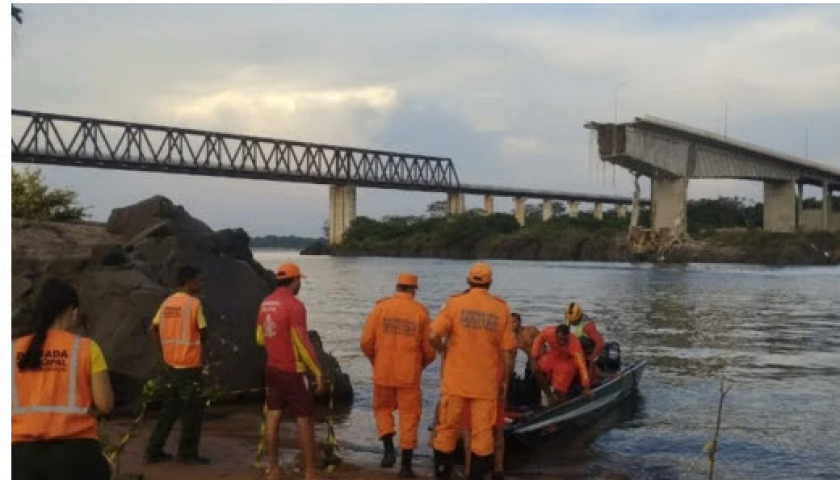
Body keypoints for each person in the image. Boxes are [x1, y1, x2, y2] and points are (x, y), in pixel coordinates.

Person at [12, 278, 114, 480]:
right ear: (73, 312)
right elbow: (105, 405)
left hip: (20, 457)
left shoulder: (12, 349)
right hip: (76, 455)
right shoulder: (86, 348)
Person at [429, 262, 516, 480]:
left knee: (447, 430)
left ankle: (442, 475)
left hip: (455, 381)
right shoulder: (500, 308)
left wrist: (443, 350)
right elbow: (507, 351)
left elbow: (432, 335)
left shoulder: (454, 303)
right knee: (482, 435)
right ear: (490, 282)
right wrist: (504, 382)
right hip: (485, 385)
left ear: (468, 281)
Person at [360, 272, 436, 479]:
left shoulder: (380, 308)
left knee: (382, 409)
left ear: (397, 287)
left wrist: (376, 361)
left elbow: (366, 341)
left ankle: (388, 449)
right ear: (413, 290)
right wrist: (421, 365)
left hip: (383, 371)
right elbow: (429, 350)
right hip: (408, 375)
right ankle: (405, 467)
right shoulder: (420, 312)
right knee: (409, 417)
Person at [256, 262, 324, 480]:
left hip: (272, 368)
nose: (299, 284)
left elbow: (259, 338)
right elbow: (302, 342)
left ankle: (273, 469)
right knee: (304, 419)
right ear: (294, 281)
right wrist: (318, 373)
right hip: (292, 371)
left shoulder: (265, 303)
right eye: (299, 281)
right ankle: (310, 471)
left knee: (273, 416)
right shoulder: (294, 305)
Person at [145, 265, 210, 465]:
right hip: (189, 365)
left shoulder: (167, 303)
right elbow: (204, 332)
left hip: (171, 364)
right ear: (188, 282)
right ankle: (187, 454)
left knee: (170, 408)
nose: (200, 283)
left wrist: (164, 351)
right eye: (198, 280)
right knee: (193, 410)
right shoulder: (194, 304)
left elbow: (151, 329)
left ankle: (154, 450)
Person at [530, 324, 591, 405]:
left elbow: (581, 365)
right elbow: (538, 339)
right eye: (560, 339)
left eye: (564, 340)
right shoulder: (548, 332)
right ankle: (549, 396)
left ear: (568, 336)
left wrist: (586, 386)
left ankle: (561, 404)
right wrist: (534, 357)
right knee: (536, 369)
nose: (562, 342)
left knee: (559, 389)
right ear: (555, 334)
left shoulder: (574, 343)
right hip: (554, 355)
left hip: (568, 360)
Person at [563, 302, 604, 379]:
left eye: (574, 321)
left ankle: (595, 375)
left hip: (588, 352)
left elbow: (599, 343)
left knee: (588, 377)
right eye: (570, 321)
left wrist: (591, 358)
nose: (572, 322)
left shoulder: (587, 326)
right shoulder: (567, 321)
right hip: (574, 352)